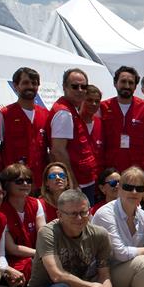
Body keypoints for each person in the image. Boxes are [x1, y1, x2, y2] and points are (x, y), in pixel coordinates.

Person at [100, 66, 144, 176]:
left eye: (131, 83)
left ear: (135, 86)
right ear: (115, 83)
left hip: (139, 171)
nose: (127, 86)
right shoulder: (103, 107)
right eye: (123, 82)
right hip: (111, 172)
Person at [48, 69, 99, 203]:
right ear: (64, 87)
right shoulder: (64, 113)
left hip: (85, 180)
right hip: (78, 183)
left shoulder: (71, 110)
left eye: (83, 87)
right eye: (75, 86)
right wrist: (73, 184)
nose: (80, 90)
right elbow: (58, 151)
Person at [0, 67, 49, 182]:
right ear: (15, 86)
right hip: (15, 181)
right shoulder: (3, 115)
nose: (30, 86)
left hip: (40, 180)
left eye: (34, 83)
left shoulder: (46, 114)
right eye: (25, 83)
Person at [0, 162, 44, 285]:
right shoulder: (0, 210)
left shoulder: (36, 203)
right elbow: (11, 248)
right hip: (13, 261)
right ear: (7, 184)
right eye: (19, 181)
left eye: (28, 181)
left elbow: (43, 233)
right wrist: (40, 253)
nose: (25, 184)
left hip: (37, 255)